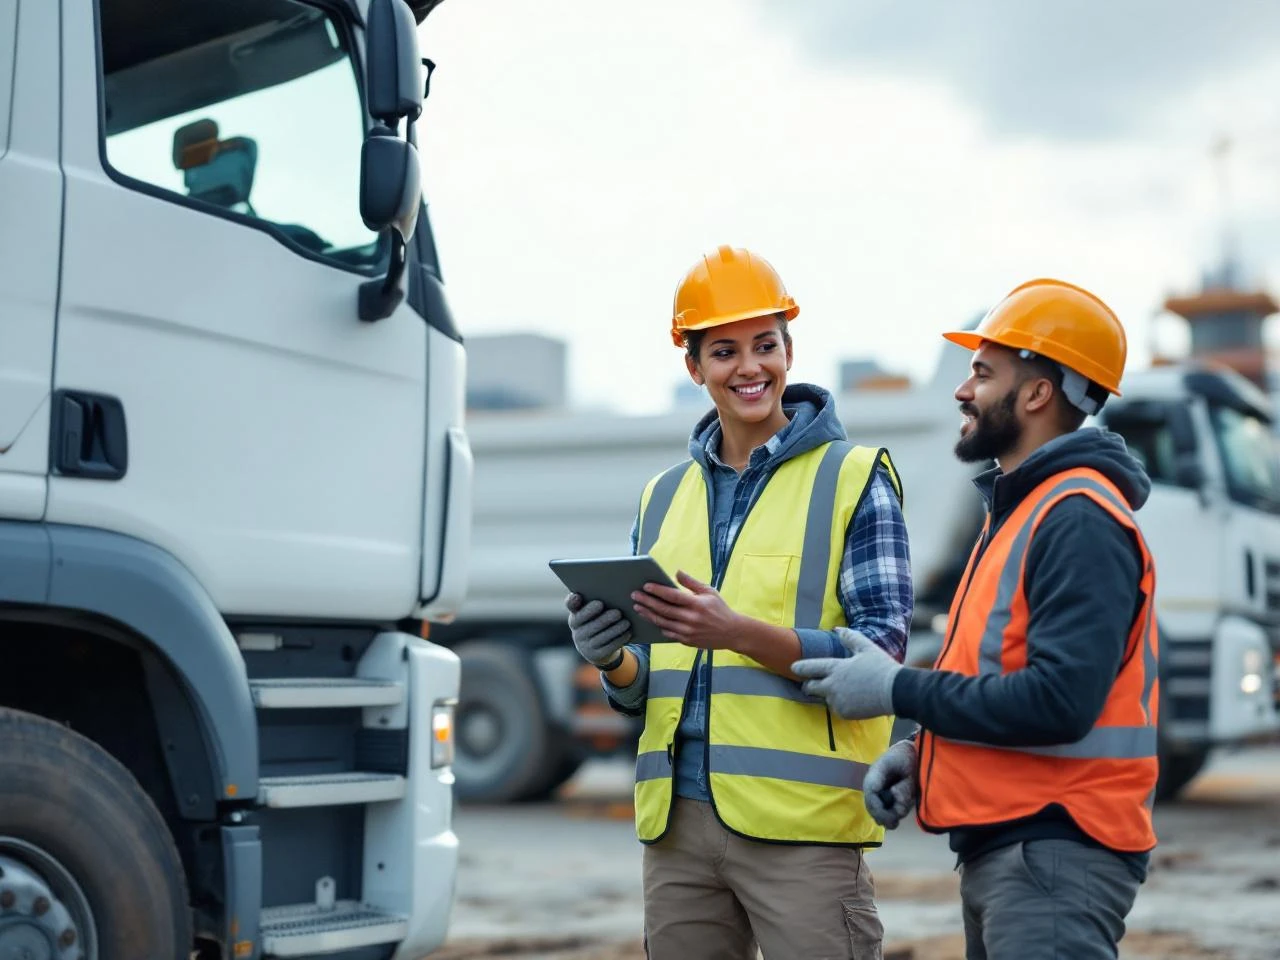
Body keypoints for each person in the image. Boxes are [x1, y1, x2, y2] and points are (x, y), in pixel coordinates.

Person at [792, 277, 1159, 960]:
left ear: (1037, 393)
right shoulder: (1024, 511)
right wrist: (922, 753)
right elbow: (997, 678)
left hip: (1055, 854)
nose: (963, 391)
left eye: (983, 373)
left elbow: (1058, 702)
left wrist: (894, 688)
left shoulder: (1076, 517)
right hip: (1020, 853)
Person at [564, 244, 914, 959]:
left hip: (802, 831)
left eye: (765, 345)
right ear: (694, 368)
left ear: (790, 349)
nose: (749, 367)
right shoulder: (662, 498)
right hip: (677, 831)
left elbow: (883, 658)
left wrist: (738, 633)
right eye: (724, 351)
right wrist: (613, 662)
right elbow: (645, 685)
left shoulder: (853, 478)